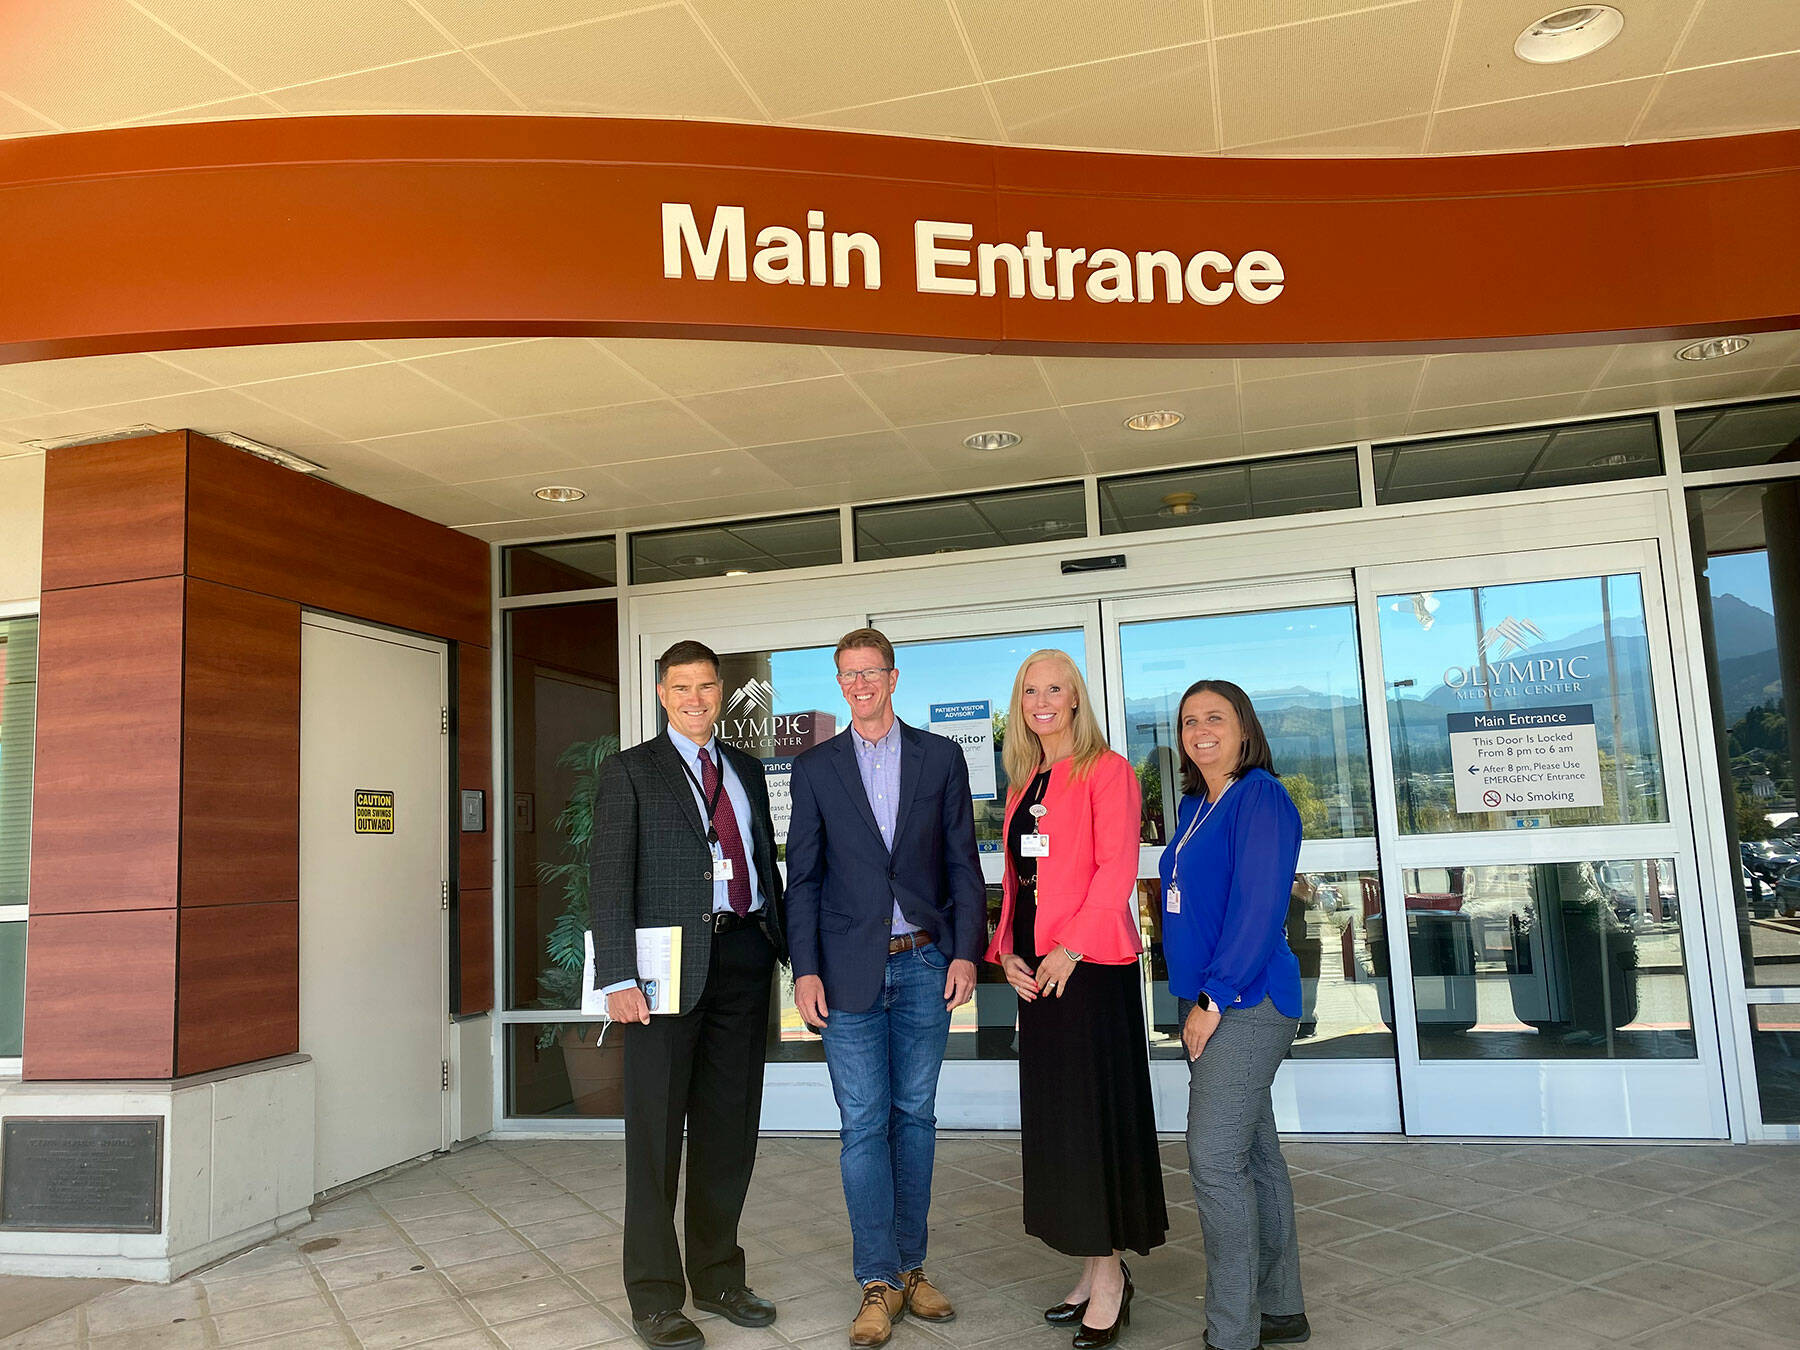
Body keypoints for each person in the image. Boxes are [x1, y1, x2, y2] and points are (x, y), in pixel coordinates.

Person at [784, 627, 986, 1347]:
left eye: (872, 672)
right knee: (864, 1124)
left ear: (894, 678)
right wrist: (804, 969)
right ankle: (877, 1279)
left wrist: (966, 953)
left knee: (915, 1118)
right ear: (839, 683)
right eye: (849, 674)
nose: (861, 684)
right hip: (846, 972)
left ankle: (911, 1269)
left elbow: (962, 863)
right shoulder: (816, 768)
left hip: (927, 964)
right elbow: (802, 877)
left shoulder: (941, 757)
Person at [588, 640, 788, 1350]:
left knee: (727, 1133)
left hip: (742, 959)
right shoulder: (631, 770)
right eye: (682, 687)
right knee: (654, 1138)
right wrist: (617, 977)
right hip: (663, 975)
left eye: (706, 686)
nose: (696, 699)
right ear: (662, 694)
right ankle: (653, 1297)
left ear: (720, 691)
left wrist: (781, 945)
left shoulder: (746, 769)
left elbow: (762, 862)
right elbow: (608, 876)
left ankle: (719, 1276)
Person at [985, 649, 1166, 1349]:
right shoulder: (1026, 779)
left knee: (1095, 1121)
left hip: (1088, 970)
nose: (1041, 701)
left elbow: (1116, 868)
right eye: (1030, 690)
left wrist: (1071, 947)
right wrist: (1006, 950)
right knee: (1062, 1125)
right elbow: (1017, 879)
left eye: (1054, 688)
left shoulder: (1107, 770)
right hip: (1038, 972)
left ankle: (1112, 1277)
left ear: (1075, 699)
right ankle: (1094, 1267)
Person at [1160, 679, 1309, 1350]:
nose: (1200, 730)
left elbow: (1258, 908)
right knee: (1254, 1154)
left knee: (1215, 1160)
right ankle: (1280, 1308)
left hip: (1244, 1001)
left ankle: (1232, 1332)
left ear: (1244, 729)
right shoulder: (1197, 804)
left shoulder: (1261, 797)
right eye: (1189, 721)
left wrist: (1213, 999)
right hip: (1211, 999)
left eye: (1214, 718)